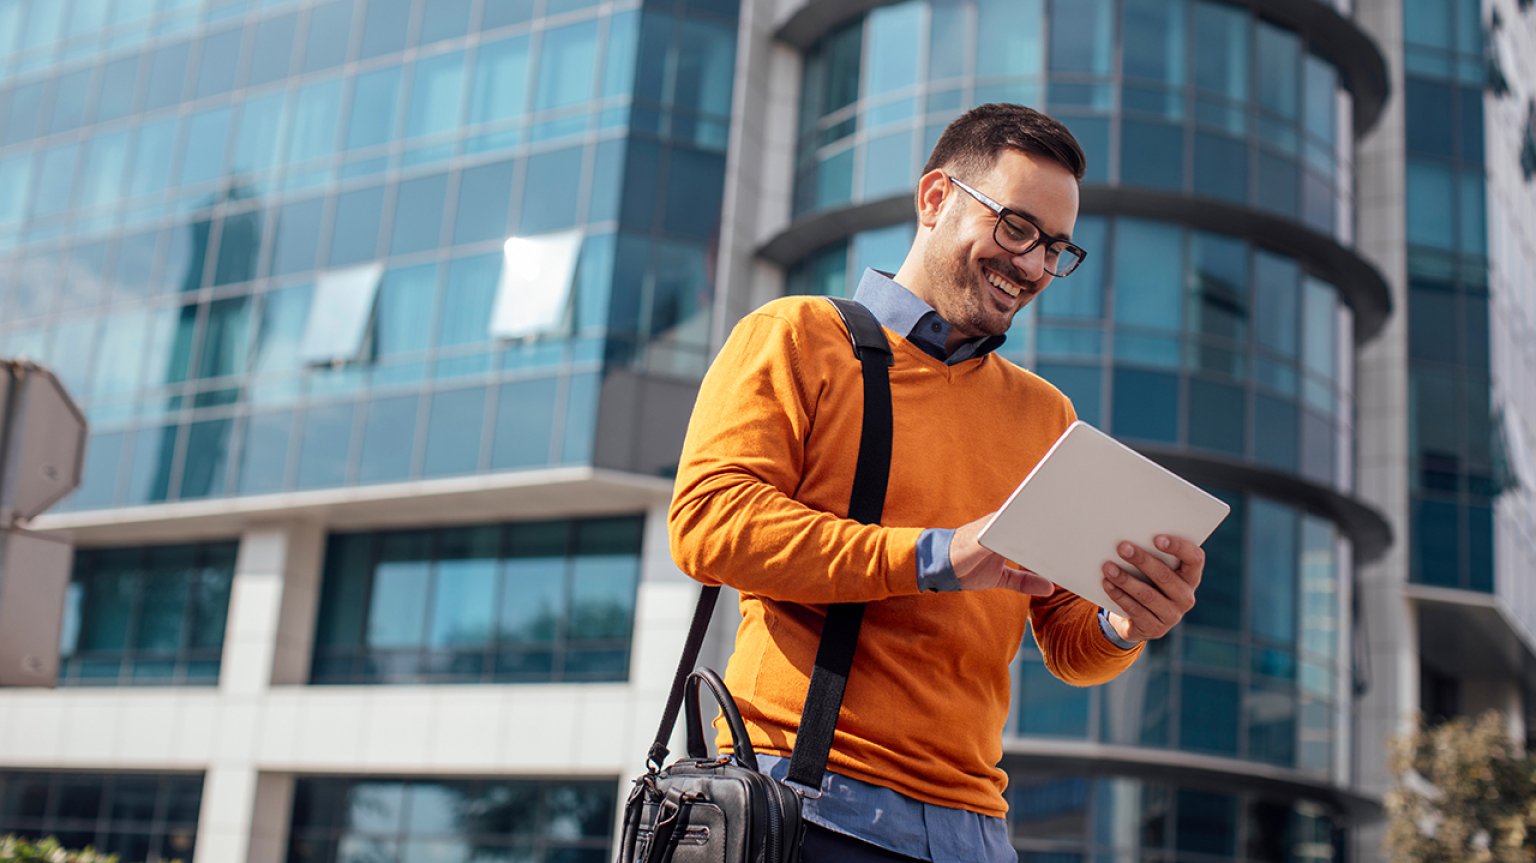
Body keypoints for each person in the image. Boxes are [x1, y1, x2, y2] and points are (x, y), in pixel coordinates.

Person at [667, 103, 1207, 863]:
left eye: (1055, 248)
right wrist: (937, 555)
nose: (1033, 266)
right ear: (935, 198)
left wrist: (1127, 620)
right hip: (811, 804)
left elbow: (1067, 641)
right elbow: (709, 525)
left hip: (974, 832)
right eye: (1016, 228)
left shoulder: (1045, 415)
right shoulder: (797, 335)